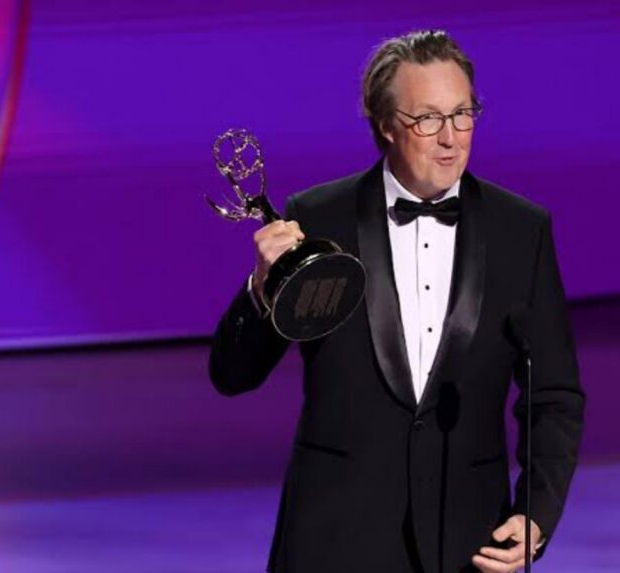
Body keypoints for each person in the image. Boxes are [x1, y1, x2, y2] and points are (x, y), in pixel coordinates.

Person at [209, 29, 585, 573]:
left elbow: (554, 394)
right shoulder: (317, 218)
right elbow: (233, 375)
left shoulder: (521, 231)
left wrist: (537, 513)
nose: (450, 137)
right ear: (385, 124)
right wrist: (261, 289)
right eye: (427, 119)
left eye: (463, 114)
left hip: (469, 546)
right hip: (334, 541)